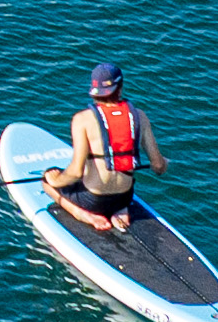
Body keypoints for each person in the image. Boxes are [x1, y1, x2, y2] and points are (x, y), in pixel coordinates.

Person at [51, 60, 151, 243]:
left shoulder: (82, 119)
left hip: (93, 201)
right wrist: (165, 163)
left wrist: (54, 179)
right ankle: (120, 213)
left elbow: (75, 172)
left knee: (47, 184)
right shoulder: (140, 116)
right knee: (118, 192)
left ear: (94, 91)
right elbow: (158, 166)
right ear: (119, 88)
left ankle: (84, 215)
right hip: (124, 197)